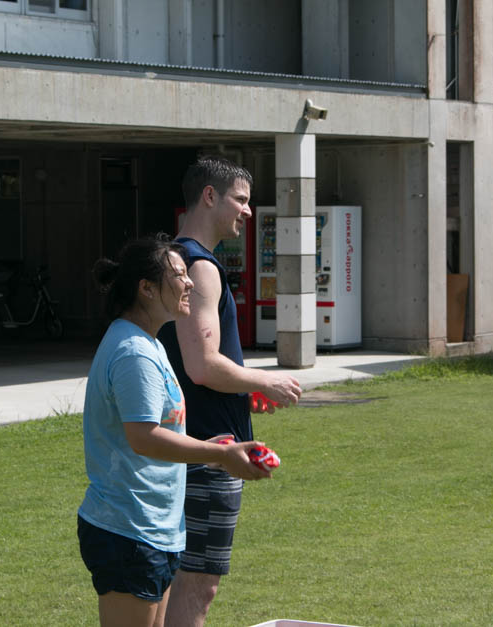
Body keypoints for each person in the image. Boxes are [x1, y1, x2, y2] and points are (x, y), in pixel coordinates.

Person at [77, 235, 272, 627]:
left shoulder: (148, 343)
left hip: (152, 527)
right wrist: (220, 456)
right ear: (146, 289)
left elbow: (157, 425)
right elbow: (143, 437)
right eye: (179, 276)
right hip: (128, 529)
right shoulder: (133, 351)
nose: (191, 284)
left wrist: (210, 445)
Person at [158, 156, 303, 626]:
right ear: (208, 196)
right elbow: (202, 365)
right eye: (240, 199)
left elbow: (192, 363)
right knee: (199, 584)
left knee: (178, 578)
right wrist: (267, 379)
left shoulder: (177, 259)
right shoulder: (200, 267)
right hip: (209, 448)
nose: (247, 211)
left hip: (189, 442)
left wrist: (243, 391)